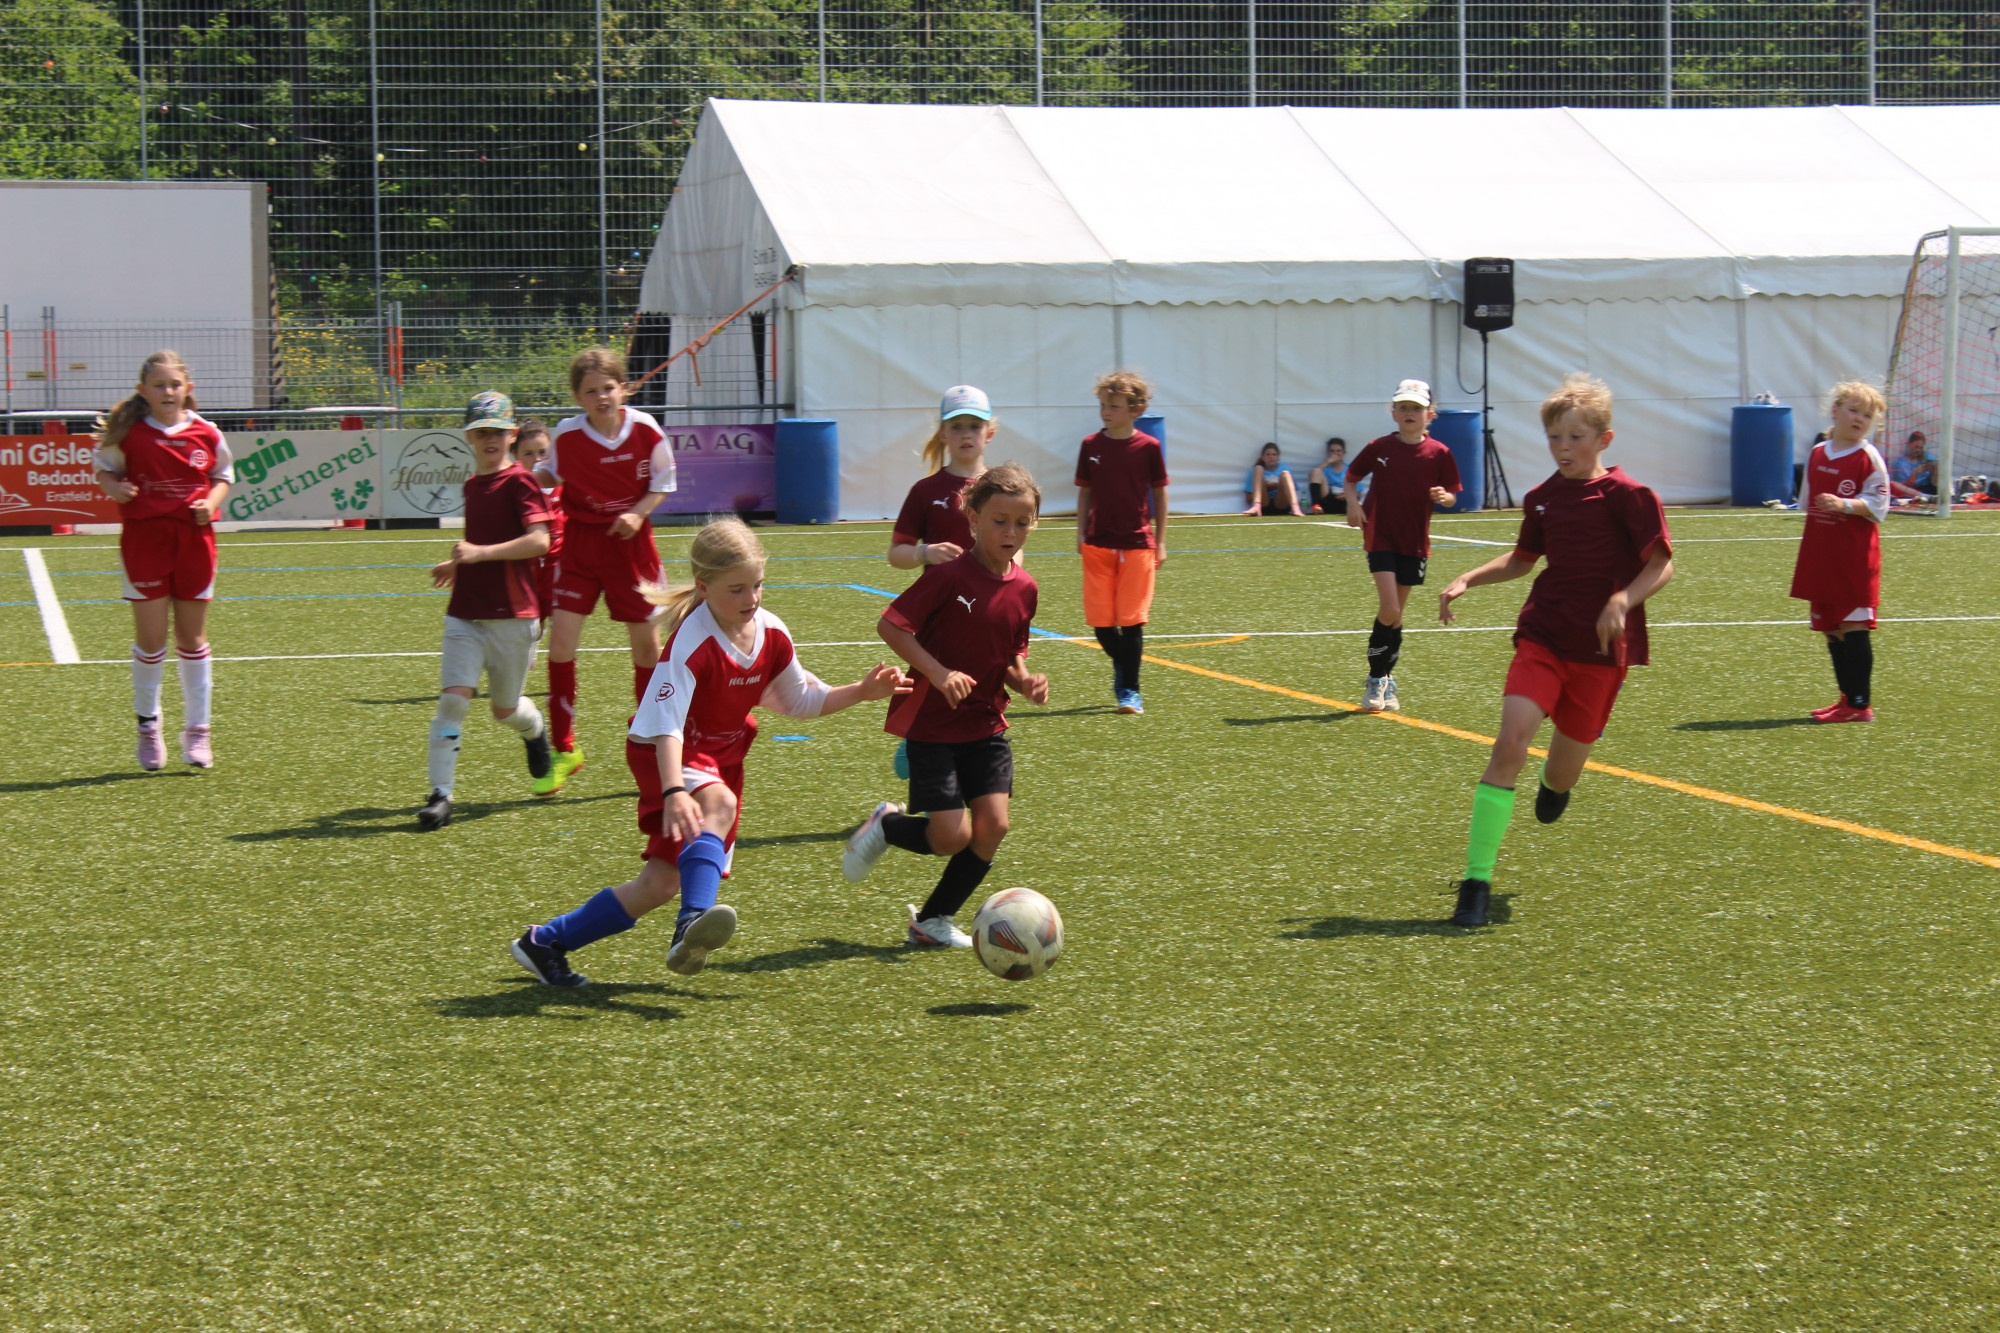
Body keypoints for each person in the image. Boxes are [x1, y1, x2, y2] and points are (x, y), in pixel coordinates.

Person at [511, 519, 910, 986]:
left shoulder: (771, 632)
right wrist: (674, 790)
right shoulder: (691, 641)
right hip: (666, 752)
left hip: (720, 756)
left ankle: (545, 942)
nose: (752, 598)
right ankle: (691, 923)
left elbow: (802, 700)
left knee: (659, 884)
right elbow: (664, 725)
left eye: (757, 585)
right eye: (736, 589)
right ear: (703, 587)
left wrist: (860, 691)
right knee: (719, 804)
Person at [1436, 374, 1674, 928]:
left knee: (1562, 774)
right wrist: (1469, 577)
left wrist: (1623, 599)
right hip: (1543, 636)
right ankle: (1475, 881)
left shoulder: (1630, 497)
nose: (1563, 448)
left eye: (1575, 438)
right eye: (1554, 438)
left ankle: (1555, 784)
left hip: (1599, 653)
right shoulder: (1541, 499)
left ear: (1604, 439)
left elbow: (1661, 564)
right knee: (1509, 745)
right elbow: (1523, 560)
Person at [841, 465, 1050, 948]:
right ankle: (887, 826)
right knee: (950, 838)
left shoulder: (1026, 588)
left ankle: (932, 921)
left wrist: (1024, 682)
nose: (1011, 532)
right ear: (973, 519)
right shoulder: (948, 576)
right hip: (934, 726)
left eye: (1022, 522)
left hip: (987, 724)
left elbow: (1011, 653)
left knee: (994, 826)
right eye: (1000, 521)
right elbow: (891, 625)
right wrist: (937, 673)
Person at [531, 349, 675, 794]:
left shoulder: (646, 430)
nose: (601, 397)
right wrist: (516, 476)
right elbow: (550, 475)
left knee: (647, 650)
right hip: (581, 547)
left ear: (623, 389)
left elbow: (662, 484)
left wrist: (637, 512)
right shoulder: (568, 435)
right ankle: (565, 749)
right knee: (560, 644)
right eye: (590, 391)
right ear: (578, 397)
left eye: (608, 387)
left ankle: (652, 746)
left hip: (632, 549)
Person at [416, 392, 557, 830]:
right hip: (466, 612)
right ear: (469, 437)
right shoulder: (472, 485)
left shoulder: (521, 482)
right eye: (481, 432)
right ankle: (441, 795)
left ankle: (534, 731)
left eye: (497, 431)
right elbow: (480, 544)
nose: (489, 438)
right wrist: (459, 564)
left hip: (514, 616)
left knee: (504, 710)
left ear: (512, 435)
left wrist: (478, 553)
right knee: (452, 700)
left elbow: (540, 541)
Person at [91, 350, 234, 771]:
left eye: (175, 384)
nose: (168, 391)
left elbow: (223, 476)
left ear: (188, 388)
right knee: (152, 641)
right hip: (145, 543)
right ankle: (148, 727)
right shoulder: (130, 434)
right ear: (143, 391)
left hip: (194, 543)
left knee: (192, 640)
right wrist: (113, 488)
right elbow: (104, 470)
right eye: (159, 385)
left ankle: (198, 731)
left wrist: (211, 503)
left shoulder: (207, 432)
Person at [887, 384, 999, 778]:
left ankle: (968, 773)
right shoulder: (926, 491)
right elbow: (896, 553)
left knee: (980, 693)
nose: (966, 434)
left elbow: (1014, 547)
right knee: (936, 688)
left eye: (975, 426)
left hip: (986, 615)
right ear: (943, 434)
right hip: (938, 619)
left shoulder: (1001, 488)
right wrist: (925, 552)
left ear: (989, 432)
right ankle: (917, 746)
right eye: (957, 426)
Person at [1343, 379, 1462, 713]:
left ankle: (1385, 678)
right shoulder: (1379, 447)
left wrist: (1444, 497)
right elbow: (1351, 477)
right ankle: (1375, 679)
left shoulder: (1439, 452)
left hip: (1414, 541)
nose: (1410, 413)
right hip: (1380, 535)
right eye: (1403, 407)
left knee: (1396, 617)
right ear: (1393, 413)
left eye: (1417, 408)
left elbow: (1453, 495)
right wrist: (1353, 504)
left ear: (1430, 415)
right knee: (1390, 609)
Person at [1791, 382, 1889, 723]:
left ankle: (1860, 705)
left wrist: (1845, 504)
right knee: (1831, 628)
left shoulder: (1868, 457)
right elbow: (1807, 502)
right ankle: (1846, 698)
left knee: (1854, 624)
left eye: (1868, 415)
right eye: (1854, 410)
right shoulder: (1818, 452)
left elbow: (1880, 504)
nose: (1860, 419)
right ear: (1835, 411)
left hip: (1853, 559)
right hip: (1820, 554)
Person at [1075, 370, 1169, 715]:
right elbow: (1085, 492)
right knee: (1102, 626)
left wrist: (1161, 541)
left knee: (1131, 622)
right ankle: (1125, 664)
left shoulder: (1149, 448)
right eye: (1103, 405)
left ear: (1136, 410)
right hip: (1098, 546)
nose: (1105, 412)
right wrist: (1080, 533)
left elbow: (1160, 493)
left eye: (1113, 406)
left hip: (1138, 546)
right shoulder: (1090, 446)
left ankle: (1130, 691)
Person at [508, 416, 562, 637]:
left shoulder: (562, 483)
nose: (537, 459)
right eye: (528, 453)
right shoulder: (513, 488)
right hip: (526, 566)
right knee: (529, 628)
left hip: (558, 564)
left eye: (542, 452)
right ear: (515, 455)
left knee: (561, 626)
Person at [1243, 443, 1303, 516]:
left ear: (1278, 457)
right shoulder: (1255, 471)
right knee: (1258, 468)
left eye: (1274, 454)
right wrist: (1266, 488)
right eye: (1267, 455)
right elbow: (1248, 499)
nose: (1271, 457)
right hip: (1263, 504)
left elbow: (1294, 492)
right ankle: (1256, 506)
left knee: (1285, 473)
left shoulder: (1285, 467)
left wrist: (1278, 486)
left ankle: (1295, 507)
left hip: (1281, 504)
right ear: (1262, 457)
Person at [1887, 430, 1936, 500]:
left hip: (1929, 488)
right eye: (1916, 447)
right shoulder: (1901, 463)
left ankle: (1949, 494)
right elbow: (1905, 487)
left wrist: (1933, 470)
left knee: (1940, 468)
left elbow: (1936, 479)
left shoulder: (1928, 457)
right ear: (1909, 444)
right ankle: (1924, 496)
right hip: (1912, 493)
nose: (1918, 450)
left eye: (1921, 448)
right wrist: (1915, 472)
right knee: (1893, 484)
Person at [1309, 437, 1348, 515]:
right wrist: (1328, 462)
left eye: (1338, 451)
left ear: (1344, 452)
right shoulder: (1324, 468)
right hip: (1328, 498)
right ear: (1328, 453)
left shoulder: (1349, 468)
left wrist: (1347, 495)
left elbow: (1358, 492)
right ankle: (1315, 506)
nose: (1335, 453)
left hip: (1344, 499)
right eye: (1332, 451)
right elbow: (1312, 475)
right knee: (1316, 471)